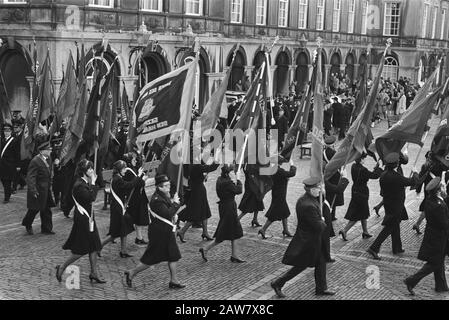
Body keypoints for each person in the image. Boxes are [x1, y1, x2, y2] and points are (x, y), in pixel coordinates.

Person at [270, 177, 335, 298]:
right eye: (317, 188)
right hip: (309, 241)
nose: (319, 190)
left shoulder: (308, 199)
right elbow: (319, 226)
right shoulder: (308, 205)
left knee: (321, 262)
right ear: (310, 189)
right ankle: (278, 283)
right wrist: (323, 219)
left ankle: (321, 288)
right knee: (301, 265)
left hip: (314, 239)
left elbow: (320, 202)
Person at [124, 175, 186, 289]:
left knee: (174, 255)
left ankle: (174, 280)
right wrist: (176, 204)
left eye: (169, 184)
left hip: (166, 231)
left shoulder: (164, 195)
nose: (169, 187)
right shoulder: (156, 200)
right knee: (151, 258)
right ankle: (132, 272)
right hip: (159, 233)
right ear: (159, 187)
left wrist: (175, 203)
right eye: (166, 185)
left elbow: (169, 212)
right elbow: (167, 213)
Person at [55, 159, 105, 284]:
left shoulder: (84, 182)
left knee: (94, 246)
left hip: (89, 218)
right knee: (80, 250)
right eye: (89, 169)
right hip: (83, 219)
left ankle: (94, 273)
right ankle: (62, 267)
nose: (92, 170)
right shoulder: (79, 185)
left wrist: (93, 183)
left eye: (92, 168)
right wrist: (93, 183)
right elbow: (90, 198)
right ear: (83, 171)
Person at [367, 153, 418, 260]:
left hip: (389, 204)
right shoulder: (395, 176)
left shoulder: (384, 174)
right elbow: (411, 181)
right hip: (396, 205)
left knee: (395, 225)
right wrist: (415, 173)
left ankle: (397, 247)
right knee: (389, 227)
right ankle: (374, 248)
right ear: (395, 164)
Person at [404, 177, 449, 295]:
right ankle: (411, 280)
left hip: (432, 235)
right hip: (438, 238)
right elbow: (445, 224)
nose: (446, 188)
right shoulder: (439, 205)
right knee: (434, 263)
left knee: (439, 261)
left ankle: (441, 285)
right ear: (439, 190)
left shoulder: (430, 199)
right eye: (444, 187)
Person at [199, 165, 245, 263]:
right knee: (223, 233)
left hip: (224, 206)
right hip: (229, 208)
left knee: (235, 231)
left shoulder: (220, 179)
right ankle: (206, 249)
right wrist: (239, 180)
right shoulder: (227, 183)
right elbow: (239, 190)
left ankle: (234, 255)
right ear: (228, 173)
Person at [100, 160, 147, 258]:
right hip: (118, 208)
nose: (125, 170)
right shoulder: (118, 179)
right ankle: (99, 246)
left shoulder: (117, 177)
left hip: (119, 206)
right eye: (124, 168)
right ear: (119, 170)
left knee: (123, 229)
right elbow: (129, 185)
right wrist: (138, 176)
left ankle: (123, 251)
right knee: (116, 232)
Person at [339, 153, 382, 241]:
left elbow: (370, 173)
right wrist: (380, 168)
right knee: (357, 214)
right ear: (361, 159)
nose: (365, 160)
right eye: (364, 158)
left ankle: (365, 232)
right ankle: (344, 230)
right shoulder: (363, 169)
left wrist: (376, 168)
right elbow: (374, 176)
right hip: (362, 192)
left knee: (363, 212)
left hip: (355, 190)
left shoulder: (354, 166)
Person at [177, 158, 220, 242]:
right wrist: (217, 161)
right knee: (196, 213)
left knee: (205, 211)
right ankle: (182, 231)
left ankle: (205, 232)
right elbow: (210, 168)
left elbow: (201, 171)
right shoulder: (196, 165)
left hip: (198, 189)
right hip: (198, 191)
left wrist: (203, 176)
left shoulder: (193, 164)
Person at [21, 141, 56, 235]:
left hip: (46, 189)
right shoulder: (35, 161)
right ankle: (27, 223)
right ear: (42, 151)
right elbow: (30, 177)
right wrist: (33, 190)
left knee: (47, 209)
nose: (51, 150)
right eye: (49, 149)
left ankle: (46, 228)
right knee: (34, 209)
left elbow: (49, 170)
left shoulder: (49, 158)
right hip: (38, 189)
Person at [258, 156, 296, 239]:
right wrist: (292, 165)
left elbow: (282, 177)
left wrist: (285, 179)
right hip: (280, 194)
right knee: (274, 214)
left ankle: (286, 230)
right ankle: (263, 229)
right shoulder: (279, 170)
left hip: (277, 192)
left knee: (284, 212)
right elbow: (292, 173)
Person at [123, 152, 149, 245]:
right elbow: (135, 184)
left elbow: (138, 180)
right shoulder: (128, 171)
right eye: (133, 160)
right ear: (129, 161)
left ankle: (139, 237)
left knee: (139, 218)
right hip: (134, 198)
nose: (135, 161)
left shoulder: (133, 169)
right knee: (131, 219)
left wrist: (142, 177)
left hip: (139, 197)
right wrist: (143, 180)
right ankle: (114, 237)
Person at [0, 123, 20, 203]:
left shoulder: (14, 140)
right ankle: (9, 190)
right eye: (5, 130)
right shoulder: (1, 140)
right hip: (1, 165)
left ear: (11, 131)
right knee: (3, 181)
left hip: (9, 165)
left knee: (7, 181)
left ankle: (6, 197)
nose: (6, 132)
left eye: (8, 131)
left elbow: (17, 154)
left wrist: (18, 165)